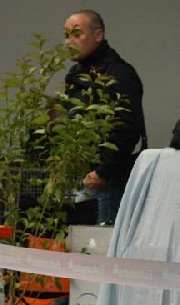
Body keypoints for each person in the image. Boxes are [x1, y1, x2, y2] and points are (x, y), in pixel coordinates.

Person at [63, 9, 146, 224]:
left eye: (77, 34)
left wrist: (102, 172)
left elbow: (127, 129)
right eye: (66, 35)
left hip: (105, 182)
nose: (69, 41)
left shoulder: (120, 74)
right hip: (76, 178)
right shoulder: (75, 75)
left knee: (99, 240)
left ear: (98, 35)